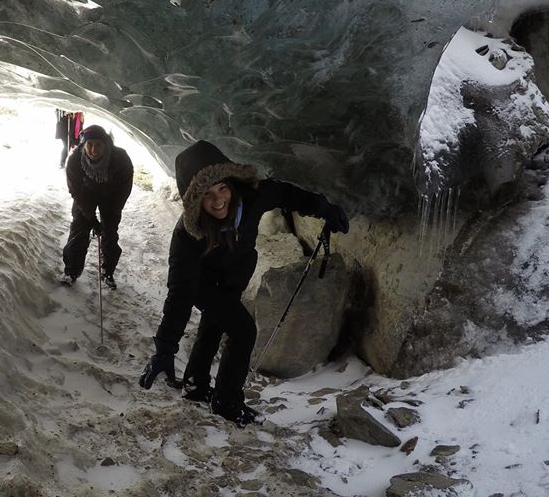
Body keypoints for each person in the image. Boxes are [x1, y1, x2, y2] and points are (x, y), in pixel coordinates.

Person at [138, 140, 349, 427]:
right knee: (243, 330)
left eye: (222, 188)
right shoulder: (187, 235)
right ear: (194, 201)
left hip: (234, 276)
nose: (218, 199)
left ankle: (195, 385)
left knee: (213, 325)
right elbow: (180, 293)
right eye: (207, 195)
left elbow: (287, 194)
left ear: (232, 183)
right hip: (203, 285)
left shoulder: (251, 197)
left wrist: (325, 209)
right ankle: (227, 402)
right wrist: (164, 349)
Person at [60, 125, 133, 289]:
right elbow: (76, 192)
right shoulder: (74, 160)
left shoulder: (120, 158)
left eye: (99, 144)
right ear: (83, 145)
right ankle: (71, 271)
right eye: (90, 144)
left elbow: (124, 188)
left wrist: (113, 212)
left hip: (111, 196)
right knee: (79, 229)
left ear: (106, 144)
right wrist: (92, 219)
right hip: (85, 196)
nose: (94, 149)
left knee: (109, 233)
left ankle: (108, 271)